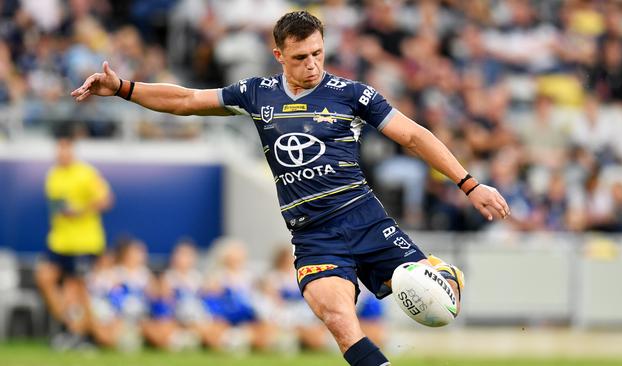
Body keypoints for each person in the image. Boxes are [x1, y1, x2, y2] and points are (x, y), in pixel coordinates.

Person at [71, 10, 510, 365]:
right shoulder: (256, 93)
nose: (313, 65)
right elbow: (186, 100)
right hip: (314, 235)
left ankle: (444, 272)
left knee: (438, 307)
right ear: (278, 54)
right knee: (338, 318)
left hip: (365, 219)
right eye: (301, 58)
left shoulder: (351, 94)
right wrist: (125, 88)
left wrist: (469, 185)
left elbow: (414, 136)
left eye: (318, 53)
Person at [35, 131, 113, 348]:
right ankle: (71, 327)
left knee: (79, 290)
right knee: (44, 278)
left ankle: (87, 335)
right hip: (59, 242)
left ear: (72, 150)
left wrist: (79, 210)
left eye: (66, 148)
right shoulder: (53, 175)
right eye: (59, 148)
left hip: (84, 243)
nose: (62, 153)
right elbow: (56, 208)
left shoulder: (86, 173)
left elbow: (106, 200)